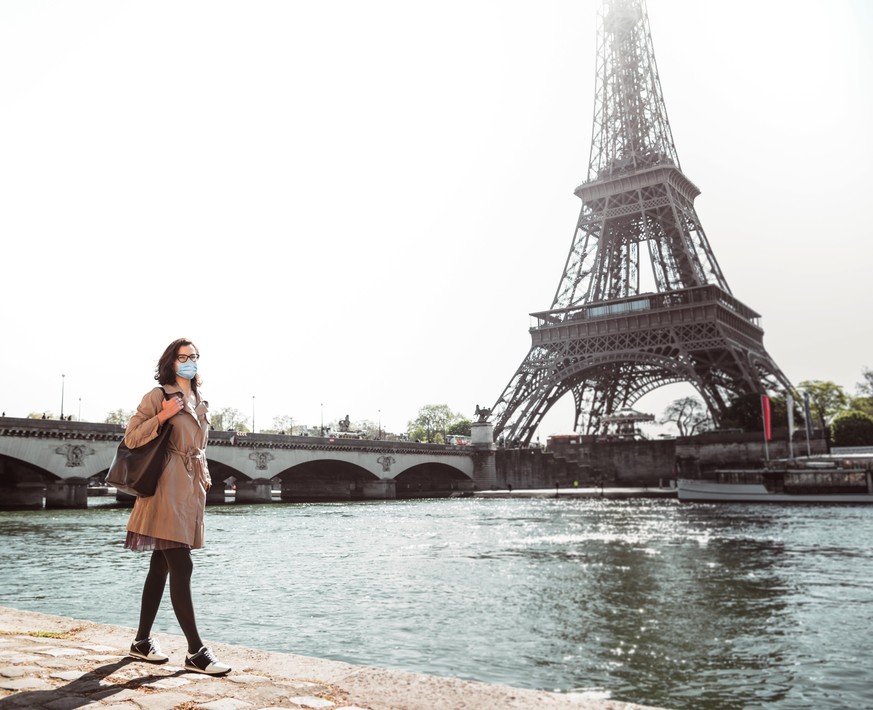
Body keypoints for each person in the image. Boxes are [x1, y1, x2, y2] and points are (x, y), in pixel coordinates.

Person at [122, 338, 230, 676]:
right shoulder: (159, 396)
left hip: (190, 488)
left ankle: (141, 643)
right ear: (171, 362)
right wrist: (163, 416)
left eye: (194, 357)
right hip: (165, 489)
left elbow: (198, 446)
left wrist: (206, 472)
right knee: (181, 565)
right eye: (183, 357)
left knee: (161, 566)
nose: (190, 362)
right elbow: (131, 437)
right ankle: (196, 651)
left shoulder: (201, 401)